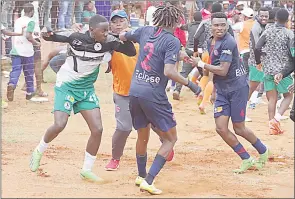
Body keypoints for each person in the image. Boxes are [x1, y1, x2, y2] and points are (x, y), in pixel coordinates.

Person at [29, 14, 136, 183]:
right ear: (91, 30)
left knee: (97, 129)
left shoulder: (109, 41)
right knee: (59, 124)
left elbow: (131, 52)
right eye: (103, 31)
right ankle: (38, 150)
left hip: (86, 89)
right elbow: (52, 36)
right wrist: (47, 31)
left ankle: (86, 170)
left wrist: (122, 38)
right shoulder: (76, 38)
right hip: (67, 86)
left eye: (107, 30)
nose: (106, 33)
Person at [119, 4, 201, 195]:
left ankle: (140, 175)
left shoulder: (146, 30)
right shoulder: (171, 40)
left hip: (135, 90)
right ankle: (149, 180)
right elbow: (169, 71)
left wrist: (182, 55)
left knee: (142, 135)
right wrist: (191, 85)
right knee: (171, 139)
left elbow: (124, 36)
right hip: (153, 94)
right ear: (176, 21)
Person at [191, 12, 269, 174]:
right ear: (210, 26)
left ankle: (263, 150)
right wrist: (213, 88)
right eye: (216, 25)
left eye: (222, 25)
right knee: (220, 128)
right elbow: (215, 63)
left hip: (237, 88)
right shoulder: (210, 41)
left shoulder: (229, 42)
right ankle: (247, 159)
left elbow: (223, 70)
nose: (219, 28)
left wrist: (201, 64)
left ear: (227, 25)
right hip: (222, 90)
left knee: (239, 128)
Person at [254, 8, 294, 135]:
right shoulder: (289, 34)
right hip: (283, 70)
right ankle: (276, 119)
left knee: (272, 98)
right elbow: (292, 53)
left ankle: (272, 127)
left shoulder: (267, 31)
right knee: (288, 96)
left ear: (275, 18)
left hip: (268, 69)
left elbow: (257, 47)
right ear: (287, 20)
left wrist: (258, 62)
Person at [7, 3, 41, 102]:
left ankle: (11, 84)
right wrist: (36, 43)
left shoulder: (18, 20)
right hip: (27, 51)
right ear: (31, 11)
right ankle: (30, 92)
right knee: (28, 72)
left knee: (15, 70)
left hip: (16, 49)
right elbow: (28, 36)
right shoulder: (31, 22)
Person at [173, 11, 203, 100]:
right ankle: (204, 91)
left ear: (194, 18)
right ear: (201, 18)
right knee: (205, 73)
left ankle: (177, 90)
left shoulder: (190, 25)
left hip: (189, 51)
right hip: (200, 52)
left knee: (183, 73)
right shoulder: (204, 26)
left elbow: (181, 27)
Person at [247, 7, 269, 110]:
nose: (264, 18)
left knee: (260, 85)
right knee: (251, 87)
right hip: (256, 61)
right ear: (258, 16)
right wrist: (258, 62)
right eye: (262, 16)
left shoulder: (264, 26)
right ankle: (242, 111)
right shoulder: (256, 28)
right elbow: (256, 48)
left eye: (266, 16)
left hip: (261, 61)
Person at [1, 23, 25, 108]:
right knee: (24, 69)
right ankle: (27, 87)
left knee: (16, 69)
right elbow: (7, 32)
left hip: (16, 51)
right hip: (24, 50)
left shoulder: (20, 20)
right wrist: (19, 34)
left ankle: (12, 84)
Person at [274, 36, 294, 122]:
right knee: (293, 115)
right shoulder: (293, 40)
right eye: (292, 21)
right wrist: (282, 73)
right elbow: (292, 61)